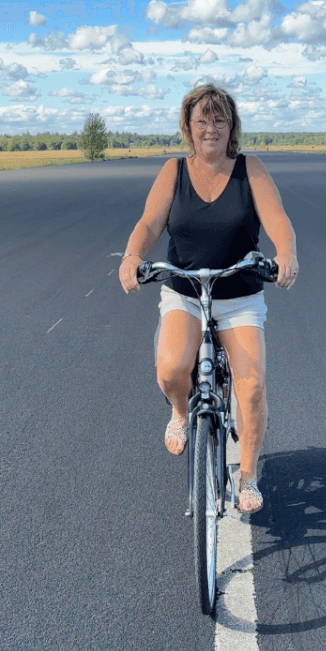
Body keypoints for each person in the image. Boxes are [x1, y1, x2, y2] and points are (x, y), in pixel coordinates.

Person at [119, 83, 297, 514]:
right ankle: (180, 414)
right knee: (172, 369)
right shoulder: (173, 171)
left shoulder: (250, 169)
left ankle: (249, 478)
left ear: (231, 126)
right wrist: (132, 254)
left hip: (238, 295)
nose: (210, 128)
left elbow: (277, 220)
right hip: (185, 291)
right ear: (188, 127)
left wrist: (286, 253)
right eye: (202, 120)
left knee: (251, 386)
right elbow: (149, 222)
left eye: (219, 119)